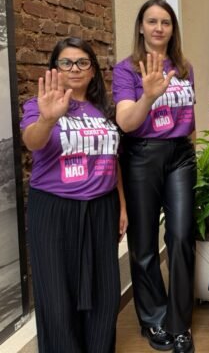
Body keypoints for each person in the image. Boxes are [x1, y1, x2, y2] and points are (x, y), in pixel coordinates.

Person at [21, 37, 126, 353]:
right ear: (55, 68)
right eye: (66, 62)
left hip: (101, 207)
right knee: (57, 296)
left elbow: (112, 159)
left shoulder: (104, 110)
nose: (75, 68)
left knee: (104, 294)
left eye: (82, 62)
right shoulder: (39, 106)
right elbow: (32, 142)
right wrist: (48, 119)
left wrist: (121, 206)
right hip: (54, 209)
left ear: (92, 70)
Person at [113, 0, 196, 353]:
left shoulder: (183, 67)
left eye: (166, 22)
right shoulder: (126, 69)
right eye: (152, 21)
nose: (159, 28)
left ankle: (179, 322)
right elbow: (125, 122)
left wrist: (192, 148)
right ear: (141, 27)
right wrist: (147, 96)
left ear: (173, 29)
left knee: (180, 235)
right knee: (144, 243)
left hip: (180, 155)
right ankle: (154, 318)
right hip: (142, 155)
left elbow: (189, 118)